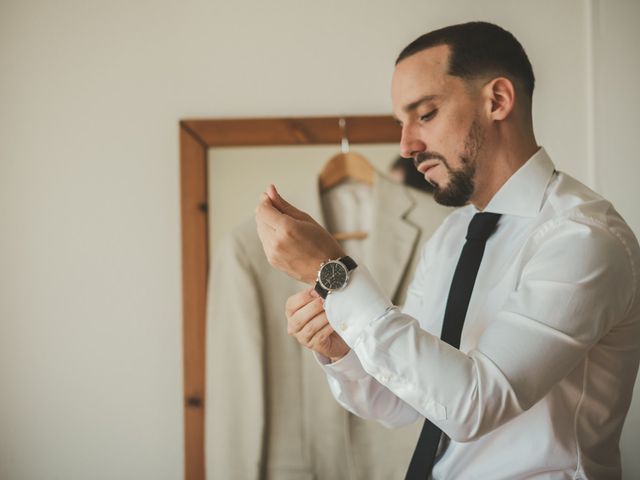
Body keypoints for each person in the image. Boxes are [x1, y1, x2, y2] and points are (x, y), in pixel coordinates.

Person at [255, 21, 640, 479]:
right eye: (402, 123)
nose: (406, 145)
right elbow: (404, 402)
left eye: (426, 114)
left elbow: (473, 405)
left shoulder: (583, 239)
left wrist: (335, 271)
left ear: (497, 100)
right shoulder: (451, 235)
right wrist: (344, 349)